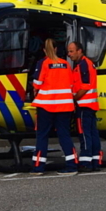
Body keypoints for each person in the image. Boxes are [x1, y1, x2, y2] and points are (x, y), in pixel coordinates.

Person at [31, 38, 79, 176]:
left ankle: (38, 167)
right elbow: (71, 84)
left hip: (46, 105)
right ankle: (72, 165)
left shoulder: (43, 63)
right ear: (57, 49)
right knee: (64, 135)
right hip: (65, 106)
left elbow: (37, 83)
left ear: (44, 50)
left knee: (42, 136)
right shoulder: (65, 64)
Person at [68, 41, 102, 172]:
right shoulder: (85, 64)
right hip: (90, 105)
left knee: (84, 133)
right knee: (93, 134)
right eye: (69, 51)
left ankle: (86, 162)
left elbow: (85, 86)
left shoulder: (83, 64)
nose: (69, 54)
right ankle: (95, 161)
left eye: (71, 51)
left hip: (83, 105)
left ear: (79, 51)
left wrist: (73, 98)